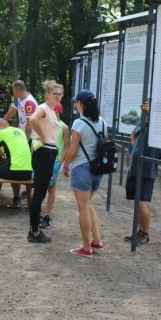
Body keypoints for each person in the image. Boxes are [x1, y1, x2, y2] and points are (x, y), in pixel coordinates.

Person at [60, 90, 105, 258]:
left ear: (80, 103)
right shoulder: (102, 122)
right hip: (97, 169)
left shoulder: (79, 123)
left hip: (82, 168)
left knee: (83, 208)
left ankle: (86, 247)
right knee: (89, 205)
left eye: (76, 102)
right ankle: (97, 241)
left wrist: (65, 165)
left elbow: (72, 151)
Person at [26, 82, 62, 239]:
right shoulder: (43, 108)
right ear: (47, 94)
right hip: (44, 152)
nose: (58, 96)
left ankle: (34, 229)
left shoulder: (52, 111)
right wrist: (44, 136)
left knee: (40, 193)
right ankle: (34, 231)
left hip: (49, 153)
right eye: (55, 93)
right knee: (39, 194)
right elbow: (32, 119)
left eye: (60, 94)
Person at [0, 118, 39, 225]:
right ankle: (16, 198)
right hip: (28, 173)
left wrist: (1, 150)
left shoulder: (2, 133)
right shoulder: (20, 131)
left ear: (3, 126)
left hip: (14, 172)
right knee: (10, 165)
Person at [124, 101, 157, 245]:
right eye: (144, 105)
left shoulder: (156, 123)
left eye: (147, 105)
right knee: (137, 201)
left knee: (142, 202)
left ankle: (145, 234)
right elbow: (133, 135)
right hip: (136, 166)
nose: (144, 107)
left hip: (146, 168)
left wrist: (152, 114)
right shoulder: (142, 122)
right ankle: (139, 231)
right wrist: (136, 150)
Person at [40, 102, 69, 230]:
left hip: (54, 161)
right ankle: (39, 212)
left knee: (51, 188)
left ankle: (47, 215)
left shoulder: (63, 127)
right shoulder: (45, 125)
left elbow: (67, 146)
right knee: (40, 186)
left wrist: (60, 162)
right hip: (43, 159)